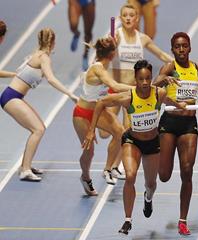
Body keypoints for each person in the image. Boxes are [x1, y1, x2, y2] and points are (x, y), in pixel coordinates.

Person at [82, 59, 183, 234]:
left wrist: (179, 105)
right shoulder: (128, 97)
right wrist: (91, 130)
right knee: (130, 176)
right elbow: (101, 103)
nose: (144, 83)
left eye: (147, 79)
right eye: (141, 79)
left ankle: (148, 198)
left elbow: (169, 100)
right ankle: (128, 220)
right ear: (135, 79)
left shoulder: (158, 94)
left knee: (151, 183)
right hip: (132, 141)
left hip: (152, 143)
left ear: (151, 78)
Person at [101, 3, 173, 179]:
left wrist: (179, 65)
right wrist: (107, 43)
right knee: (105, 133)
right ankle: (112, 165)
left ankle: (111, 167)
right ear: (120, 18)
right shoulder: (115, 36)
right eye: (124, 15)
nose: (127, 18)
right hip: (115, 90)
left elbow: (163, 56)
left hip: (132, 94)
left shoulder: (142, 39)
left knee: (126, 130)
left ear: (136, 19)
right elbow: (102, 49)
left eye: (131, 15)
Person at [152, 32, 198, 235]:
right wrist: (164, 78)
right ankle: (150, 187)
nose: (181, 50)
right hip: (169, 123)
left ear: (190, 47)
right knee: (165, 175)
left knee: (187, 171)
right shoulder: (170, 67)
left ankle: (182, 220)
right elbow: (153, 85)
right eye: (177, 46)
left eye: (184, 46)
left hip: (189, 124)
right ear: (172, 49)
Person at [0, 28, 78, 181]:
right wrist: (70, 94)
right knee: (38, 129)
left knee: (38, 128)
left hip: (12, 96)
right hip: (11, 97)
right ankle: (25, 170)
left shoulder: (36, 54)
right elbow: (51, 79)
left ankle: (26, 165)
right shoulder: (43, 58)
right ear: (53, 43)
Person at [72, 36, 132, 194]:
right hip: (82, 114)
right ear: (112, 54)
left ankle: (109, 168)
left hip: (98, 110)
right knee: (89, 151)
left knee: (120, 133)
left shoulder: (104, 67)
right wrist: (139, 87)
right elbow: (115, 86)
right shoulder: (98, 69)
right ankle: (85, 177)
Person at [68, 0, 96, 71]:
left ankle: (85, 55)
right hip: (75, 1)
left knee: (88, 32)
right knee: (73, 26)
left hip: (88, 2)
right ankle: (76, 33)